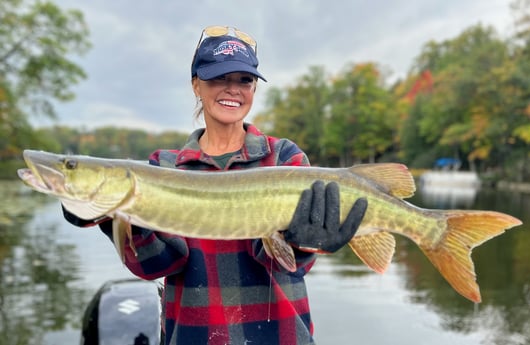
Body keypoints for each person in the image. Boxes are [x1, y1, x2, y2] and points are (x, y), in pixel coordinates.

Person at [64, 26, 367, 345]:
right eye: (218, 77)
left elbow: (288, 263)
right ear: (196, 84)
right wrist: (102, 212)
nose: (232, 89)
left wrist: (305, 242)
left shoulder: (283, 157)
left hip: (279, 335)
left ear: (253, 88)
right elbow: (155, 264)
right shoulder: (165, 167)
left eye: (244, 80)